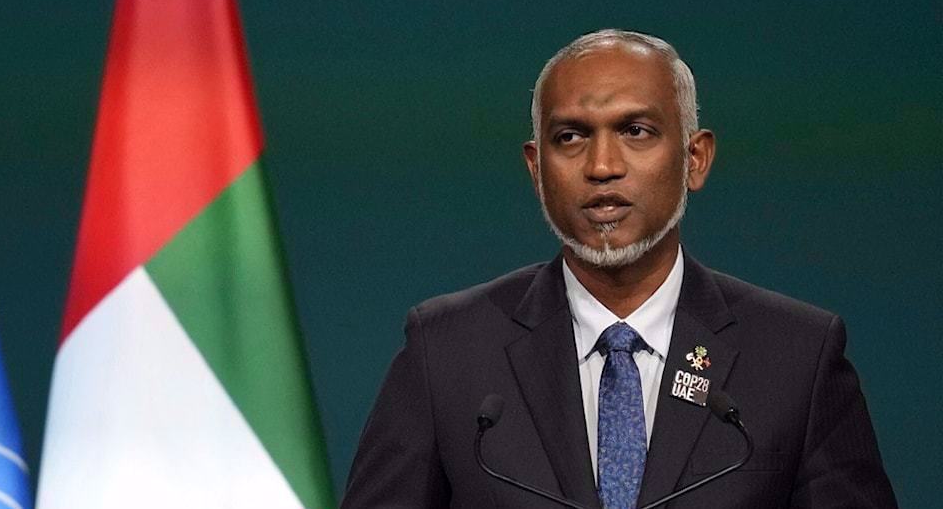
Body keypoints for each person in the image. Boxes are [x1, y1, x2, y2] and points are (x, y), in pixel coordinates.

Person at [341, 30, 896, 508]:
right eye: (571, 137)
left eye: (636, 131)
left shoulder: (798, 356)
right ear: (536, 169)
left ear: (694, 159)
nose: (602, 166)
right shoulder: (448, 351)